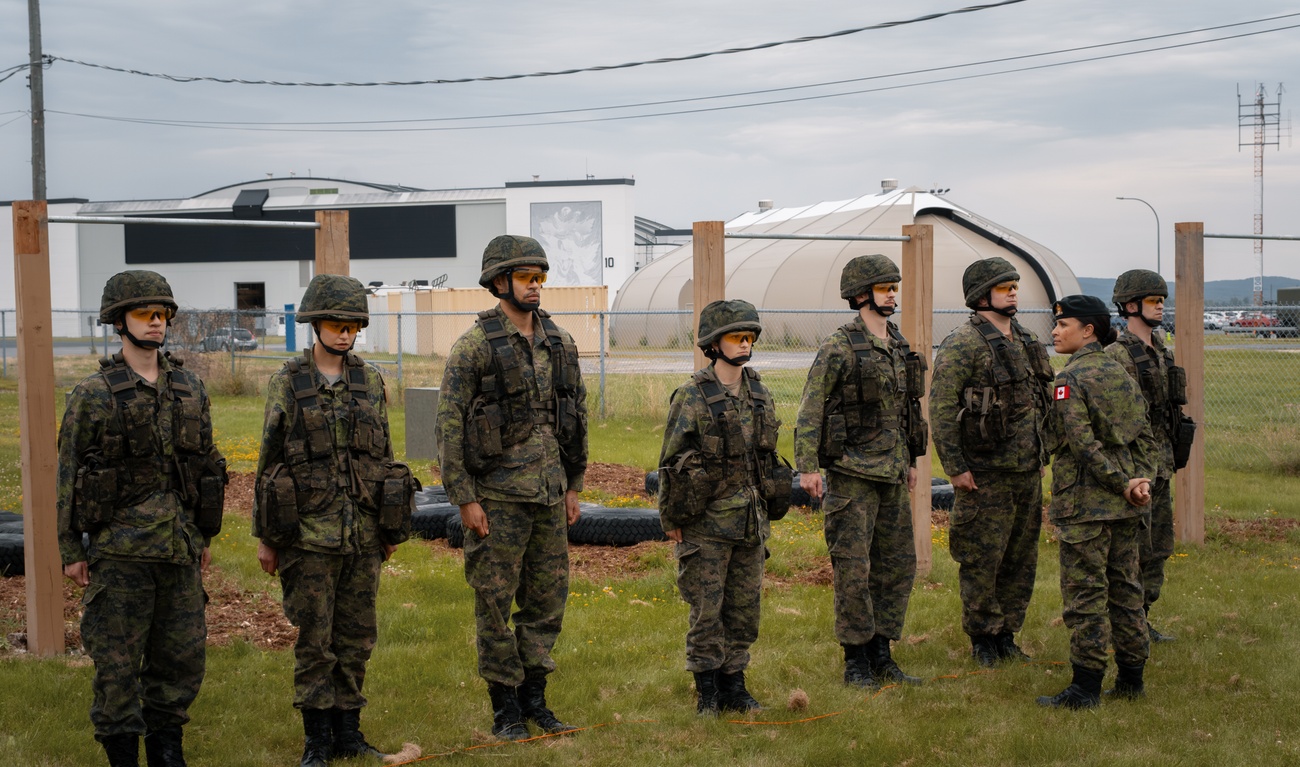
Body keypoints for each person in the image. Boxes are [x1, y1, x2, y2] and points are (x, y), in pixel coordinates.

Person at [56, 270, 227, 767]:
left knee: (181, 659)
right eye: (143, 315)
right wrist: (71, 550)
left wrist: (203, 534)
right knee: (116, 665)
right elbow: (66, 476)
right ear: (118, 321)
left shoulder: (190, 387)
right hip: (119, 552)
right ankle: (122, 755)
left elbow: (205, 466)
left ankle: (167, 749)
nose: (156, 324)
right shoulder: (93, 394)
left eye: (162, 315)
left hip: (177, 547)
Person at [253, 274, 416, 767]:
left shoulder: (370, 381)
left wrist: (388, 529)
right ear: (314, 324)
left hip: (363, 533)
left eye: (352, 326)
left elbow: (385, 457)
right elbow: (268, 462)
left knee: (356, 636)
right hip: (308, 535)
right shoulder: (288, 382)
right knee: (314, 640)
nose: (344, 334)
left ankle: (349, 732)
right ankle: (317, 742)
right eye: (334, 324)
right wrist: (267, 539)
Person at [436, 235, 588, 740]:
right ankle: (505, 709)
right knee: (495, 603)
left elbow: (575, 417)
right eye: (526, 277)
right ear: (500, 282)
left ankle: (536, 701)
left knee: (547, 602)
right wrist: (464, 498)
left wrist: (574, 485)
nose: (535, 286)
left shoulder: (560, 343)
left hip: (548, 494)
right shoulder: (474, 346)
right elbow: (449, 426)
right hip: (497, 498)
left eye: (540, 277)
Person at [794, 254, 929, 689]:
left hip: (890, 474)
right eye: (884, 287)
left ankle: (882, 654)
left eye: (895, 286)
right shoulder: (839, 346)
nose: (893, 293)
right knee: (854, 570)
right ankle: (856, 662)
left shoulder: (898, 343)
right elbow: (811, 407)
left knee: (897, 566)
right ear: (860, 294)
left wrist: (909, 461)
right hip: (852, 475)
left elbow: (906, 410)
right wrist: (807, 467)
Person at [657, 299, 791, 716]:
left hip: (751, 525)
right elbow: (671, 460)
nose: (745, 343)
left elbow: (765, 457)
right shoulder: (692, 396)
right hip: (707, 526)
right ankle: (708, 693)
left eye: (749, 336)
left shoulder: (760, 393)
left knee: (744, 611)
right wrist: (671, 519)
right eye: (736, 336)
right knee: (706, 612)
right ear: (713, 344)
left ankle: (735, 685)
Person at [929, 258, 1056, 667]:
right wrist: (954, 466)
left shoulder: (1025, 339)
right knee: (983, 559)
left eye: (1016, 285)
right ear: (982, 296)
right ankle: (983, 639)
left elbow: (1039, 401)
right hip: (984, 473)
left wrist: (1041, 454)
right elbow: (942, 407)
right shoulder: (963, 343)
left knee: (1021, 559)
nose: (1014, 292)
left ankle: (1007, 635)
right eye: (1005, 287)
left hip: (1025, 471)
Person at [1037, 294, 1156, 709]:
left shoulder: (1068, 379)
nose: (1054, 331)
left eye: (1063, 324)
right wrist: (1142, 482)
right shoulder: (1121, 372)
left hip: (1086, 506)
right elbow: (1146, 436)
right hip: (1126, 507)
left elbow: (1081, 444)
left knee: (1086, 596)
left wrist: (1123, 483)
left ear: (1088, 330)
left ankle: (1085, 688)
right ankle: (1131, 681)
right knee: (1126, 590)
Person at [1106, 269, 1192, 643]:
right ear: (1130, 306)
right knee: (1129, 552)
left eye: (1161, 301)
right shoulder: (1116, 356)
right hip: (1134, 471)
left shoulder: (1162, 352)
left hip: (1160, 466)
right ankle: (1122, 625)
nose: (1160, 307)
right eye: (1153, 301)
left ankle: (1141, 619)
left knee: (1157, 549)